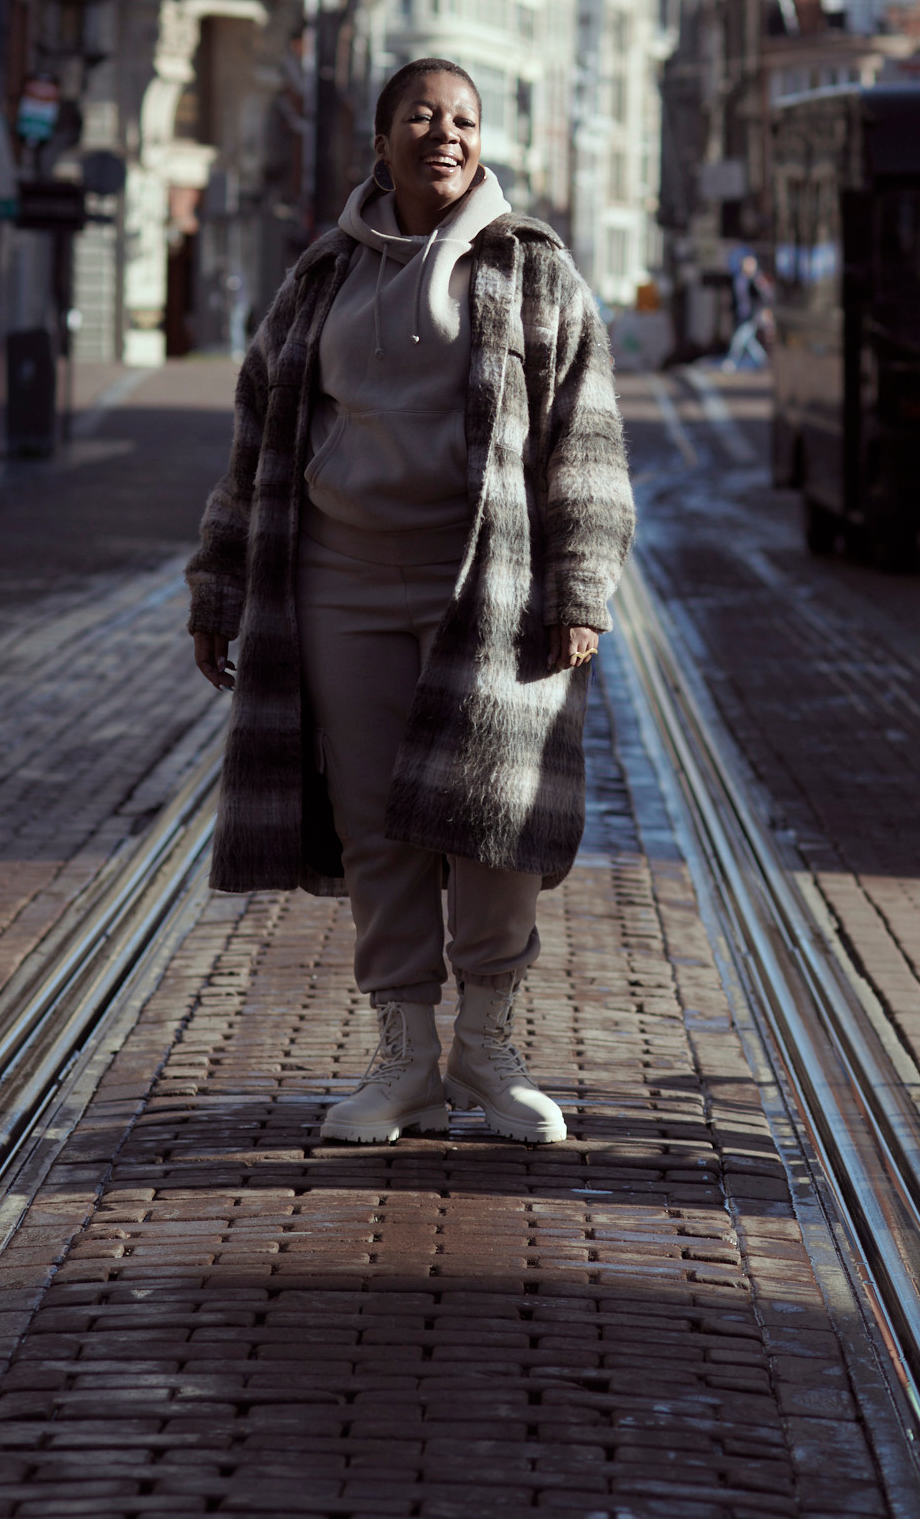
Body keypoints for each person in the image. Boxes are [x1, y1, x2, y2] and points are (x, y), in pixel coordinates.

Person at [188, 57, 635, 1146]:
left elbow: (586, 439)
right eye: (422, 117)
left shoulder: (534, 271)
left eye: (465, 120)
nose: (446, 134)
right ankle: (402, 1058)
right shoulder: (317, 279)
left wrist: (578, 587)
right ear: (380, 138)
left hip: (491, 586)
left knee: (495, 819)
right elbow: (255, 439)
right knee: (374, 823)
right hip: (339, 580)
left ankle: (486, 1047)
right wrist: (220, 583)